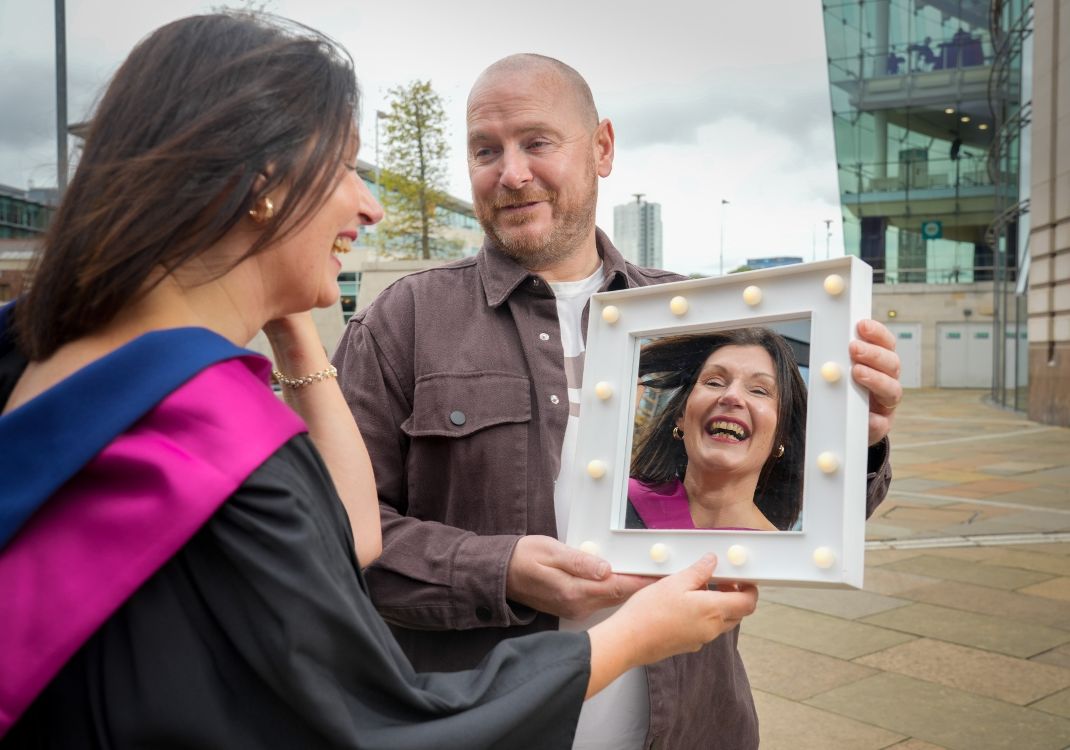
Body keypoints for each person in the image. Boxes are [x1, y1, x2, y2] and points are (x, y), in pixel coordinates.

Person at [0, 17, 760, 747]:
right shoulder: (226, 440)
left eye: (537, 142)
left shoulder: (40, 358)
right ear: (260, 187)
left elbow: (344, 539)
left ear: (601, 148)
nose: (369, 203)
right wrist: (618, 628)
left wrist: (841, 432)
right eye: (344, 167)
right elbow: (366, 710)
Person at [334, 53, 902, 749]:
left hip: (690, 726)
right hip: (485, 729)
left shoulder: (698, 316)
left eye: (537, 142)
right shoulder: (403, 322)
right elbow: (342, 542)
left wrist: (859, 434)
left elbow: (793, 522)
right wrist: (500, 570)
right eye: (486, 150)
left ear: (601, 148)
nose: (511, 173)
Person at [626, 328, 807, 531]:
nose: (732, 396)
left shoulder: (786, 557)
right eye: (714, 382)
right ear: (681, 416)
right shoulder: (612, 504)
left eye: (758, 390)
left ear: (781, 435)